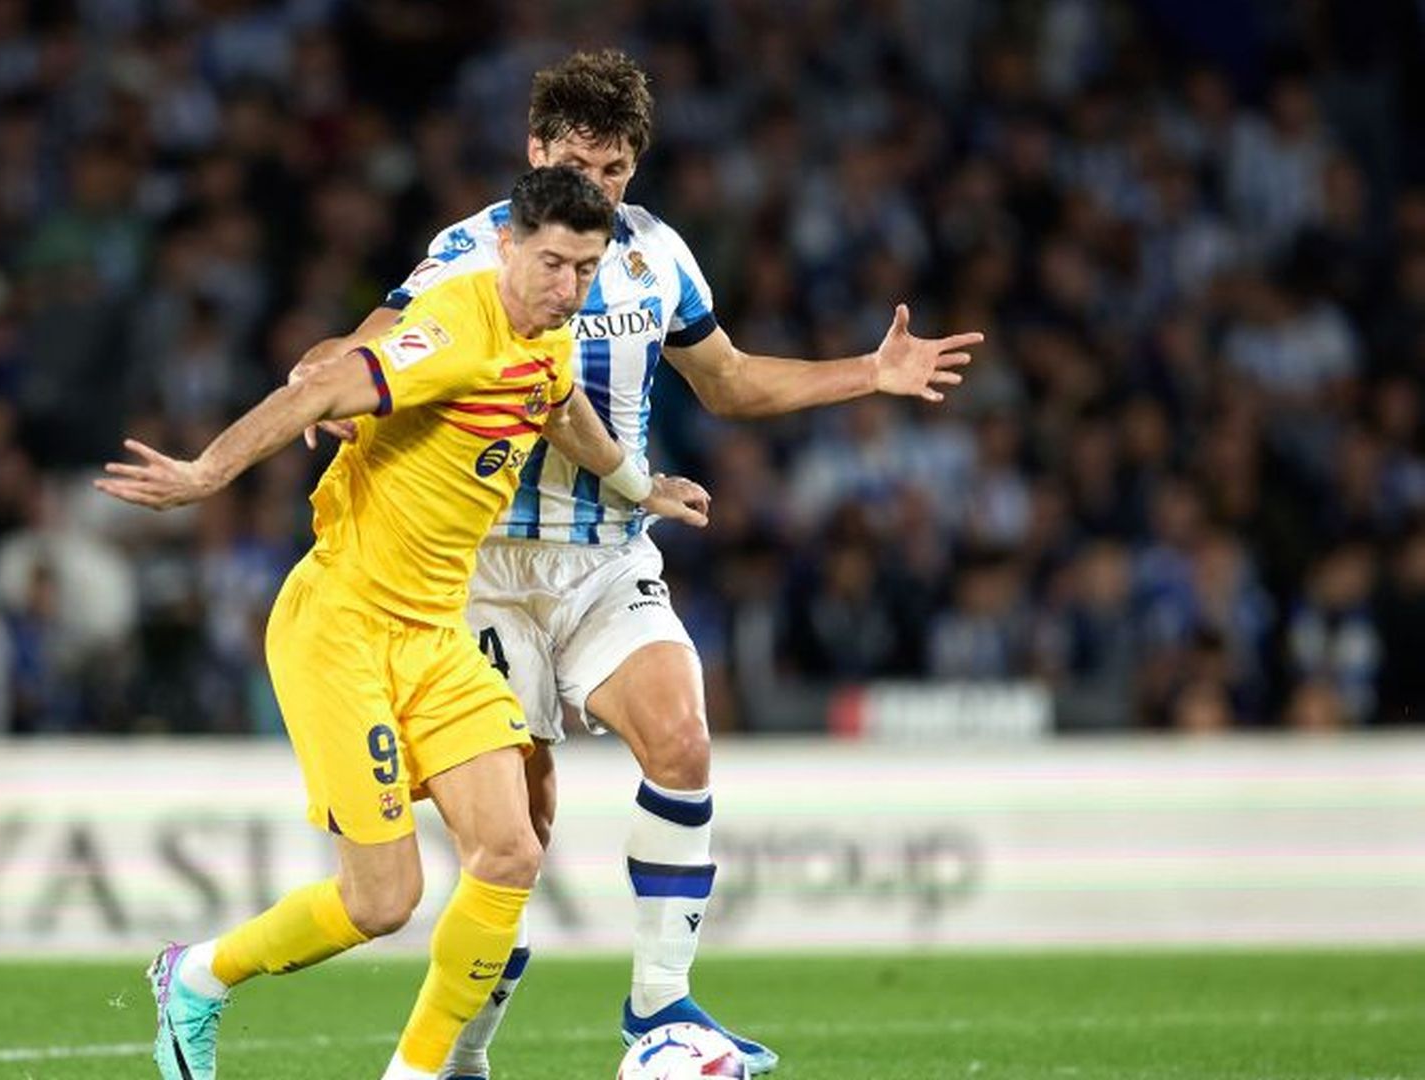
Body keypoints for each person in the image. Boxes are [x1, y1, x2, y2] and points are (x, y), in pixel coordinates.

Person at [300, 50, 987, 1077]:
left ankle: (661, 1010)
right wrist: (324, 371)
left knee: (682, 738)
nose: (602, 188)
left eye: (618, 169)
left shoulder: (657, 255)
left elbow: (730, 381)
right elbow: (381, 338)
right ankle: (461, 1055)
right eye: (582, 163)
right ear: (536, 153)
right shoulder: (474, 249)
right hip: (483, 567)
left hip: (606, 558)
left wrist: (868, 374)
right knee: (516, 832)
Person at [95, 166, 712, 1080]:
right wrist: (203, 474)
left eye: (584, 269)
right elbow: (317, 389)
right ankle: (195, 976)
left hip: (432, 636)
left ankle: (419, 1074)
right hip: (340, 626)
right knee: (383, 900)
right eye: (550, 263)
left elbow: (568, 417)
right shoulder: (453, 328)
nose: (567, 287)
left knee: (510, 849)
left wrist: (637, 488)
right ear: (508, 245)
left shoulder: (548, 340)